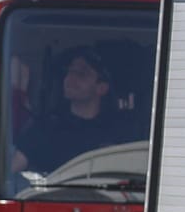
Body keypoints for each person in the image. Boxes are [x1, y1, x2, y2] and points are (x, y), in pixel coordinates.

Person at [11, 46, 138, 174]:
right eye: (69, 71)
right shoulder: (45, 127)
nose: (70, 78)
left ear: (102, 88)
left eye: (81, 73)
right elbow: (12, 170)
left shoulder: (120, 131)